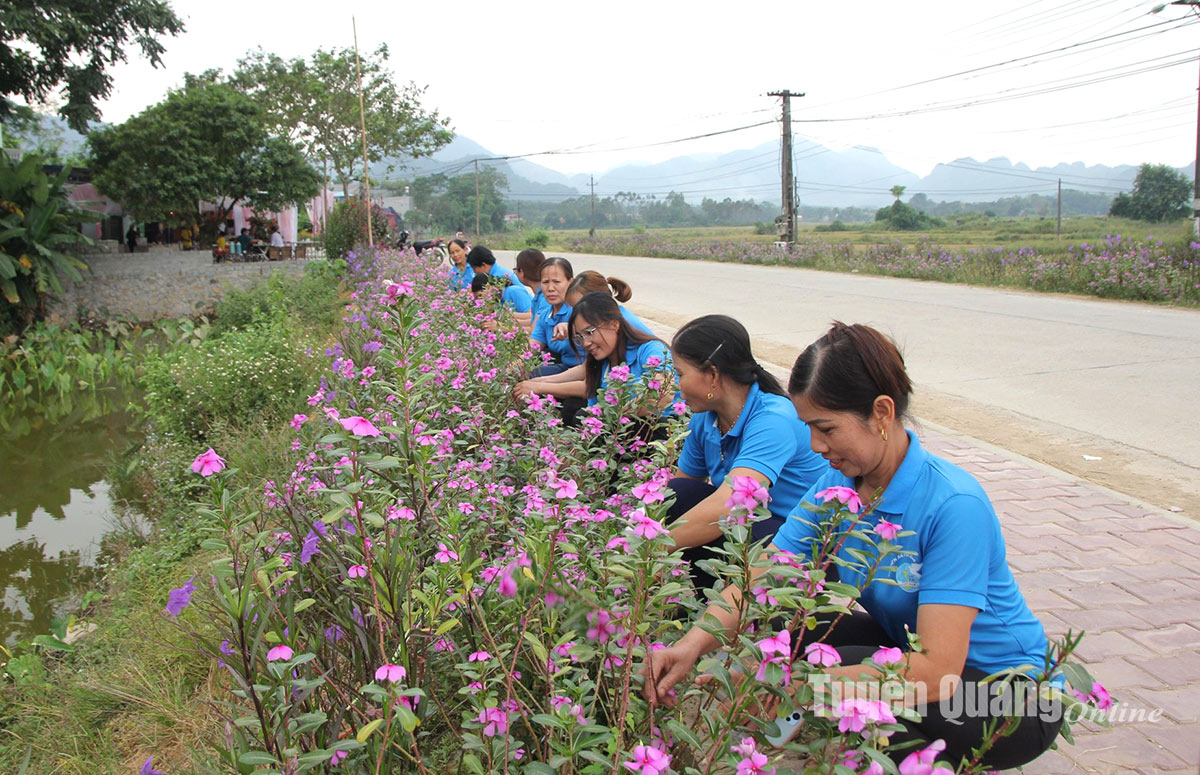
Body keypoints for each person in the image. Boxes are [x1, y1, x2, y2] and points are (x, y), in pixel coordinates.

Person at [642, 322, 1062, 770]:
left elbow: (938, 671)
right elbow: (765, 573)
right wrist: (690, 645)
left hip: (1007, 695)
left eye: (826, 428)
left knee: (852, 690)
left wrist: (801, 685)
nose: (815, 445)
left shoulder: (953, 505)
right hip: (907, 646)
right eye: (808, 428)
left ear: (881, 413)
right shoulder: (837, 487)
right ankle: (792, 739)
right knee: (797, 631)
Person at [666, 315, 828, 589]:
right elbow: (681, 493)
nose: (676, 385)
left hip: (795, 536)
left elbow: (732, 504)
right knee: (680, 494)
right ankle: (703, 597)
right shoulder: (706, 418)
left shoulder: (773, 419)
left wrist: (648, 549)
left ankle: (737, 614)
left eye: (680, 374)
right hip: (747, 525)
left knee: (750, 537)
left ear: (713, 375)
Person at [517, 292, 679, 418]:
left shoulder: (651, 350)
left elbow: (662, 394)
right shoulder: (602, 363)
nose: (586, 343)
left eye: (589, 332)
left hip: (659, 426)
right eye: (580, 337)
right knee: (579, 414)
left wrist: (611, 418)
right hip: (623, 426)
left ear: (614, 324)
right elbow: (593, 407)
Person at [524, 257, 577, 377]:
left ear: (571, 282)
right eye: (545, 282)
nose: (550, 288)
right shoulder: (545, 316)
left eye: (556, 282)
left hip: (582, 370)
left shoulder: (577, 311)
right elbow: (532, 349)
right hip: (564, 366)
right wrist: (507, 370)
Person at [563, 271, 651, 335]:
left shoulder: (625, 324)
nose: (576, 314)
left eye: (580, 308)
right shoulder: (601, 323)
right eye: (574, 309)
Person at [513, 248, 547, 331]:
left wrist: (501, 327)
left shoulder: (545, 297)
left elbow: (534, 330)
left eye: (516, 270)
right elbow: (534, 319)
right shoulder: (539, 294)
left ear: (522, 272)